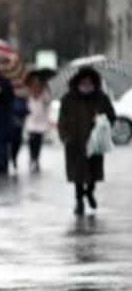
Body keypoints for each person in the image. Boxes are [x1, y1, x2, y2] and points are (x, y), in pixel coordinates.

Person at [58, 67, 116, 216]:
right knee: (77, 175)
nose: (86, 84)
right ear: (78, 81)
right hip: (74, 143)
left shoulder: (101, 98)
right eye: (84, 81)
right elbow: (62, 120)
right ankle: (79, 201)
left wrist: (103, 119)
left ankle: (89, 192)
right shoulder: (68, 99)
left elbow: (111, 116)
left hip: (95, 142)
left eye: (89, 81)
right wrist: (65, 136)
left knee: (92, 173)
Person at [25, 72, 52, 172]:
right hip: (31, 120)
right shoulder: (28, 92)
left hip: (41, 121)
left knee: (38, 141)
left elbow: (48, 102)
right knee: (32, 141)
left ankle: (36, 158)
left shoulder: (44, 92)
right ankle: (32, 157)